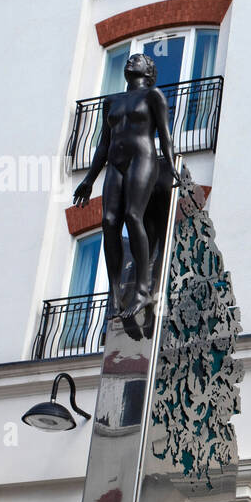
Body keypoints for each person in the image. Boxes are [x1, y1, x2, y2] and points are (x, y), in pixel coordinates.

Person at [73, 53, 182, 333]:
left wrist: (171, 166)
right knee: (109, 221)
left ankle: (143, 289)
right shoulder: (112, 101)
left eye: (139, 59)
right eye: (130, 59)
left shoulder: (153, 95)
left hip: (141, 157)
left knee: (134, 215)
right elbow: (102, 145)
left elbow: (164, 133)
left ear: (150, 70)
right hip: (115, 162)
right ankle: (114, 292)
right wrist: (88, 179)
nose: (131, 61)